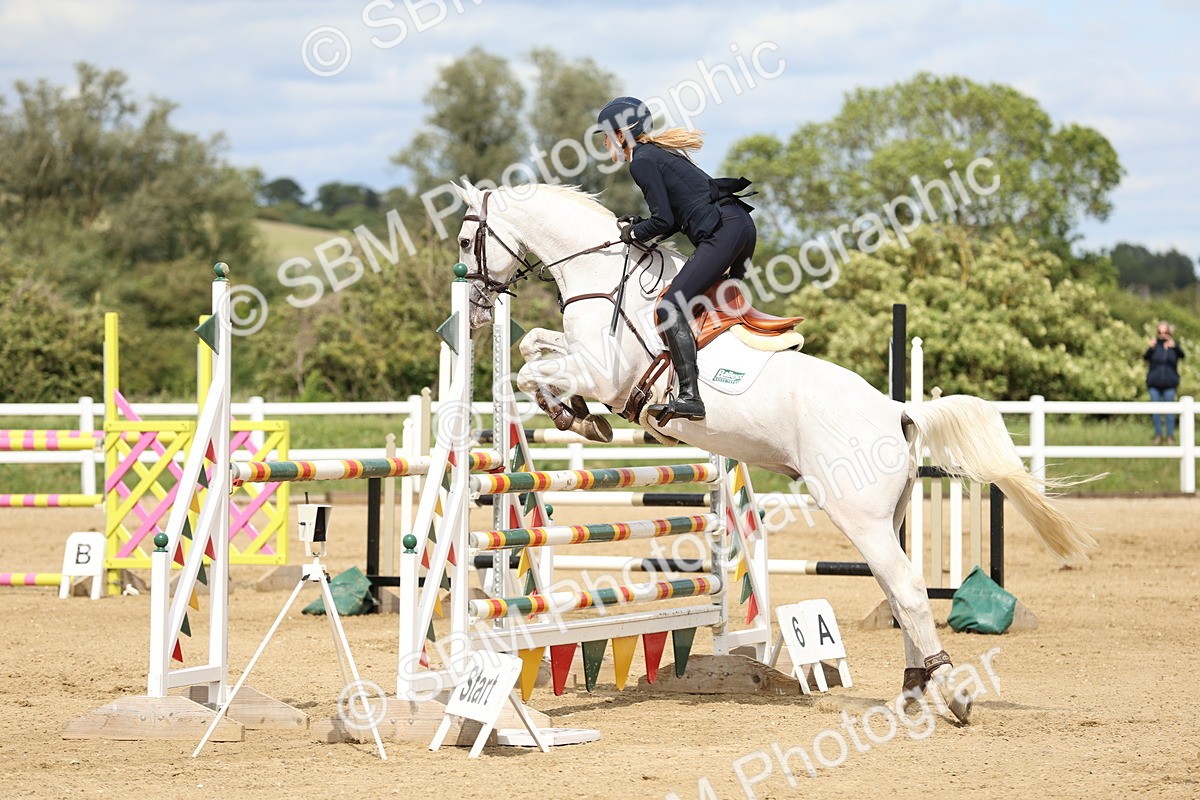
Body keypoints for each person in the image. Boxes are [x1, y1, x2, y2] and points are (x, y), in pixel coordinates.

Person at [594, 96, 757, 423]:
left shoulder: (641, 160)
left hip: (722, 231)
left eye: (607, 135)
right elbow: (675, 216)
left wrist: (633, 234)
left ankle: (689, 396)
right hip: (739, 226)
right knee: (712, 306)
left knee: (670, 308)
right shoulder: (657, 153)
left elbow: (664, 220)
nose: (605, 143)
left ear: (623, 133)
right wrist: (641, 226)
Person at [1144, 321, 1184, 444]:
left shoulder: (1174, 346)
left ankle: (1170, 436)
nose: (1162, 335)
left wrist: (1174, 346)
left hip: (1170, 384)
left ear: (1169, 333)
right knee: (1155, 411)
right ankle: (1158, 436)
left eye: (1165, 332)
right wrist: (1150, 348)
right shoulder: (1154, 346)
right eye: (1160, 332)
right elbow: (1145, 357)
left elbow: (1182, 355)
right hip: (1154, 383)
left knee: (1169, 411)